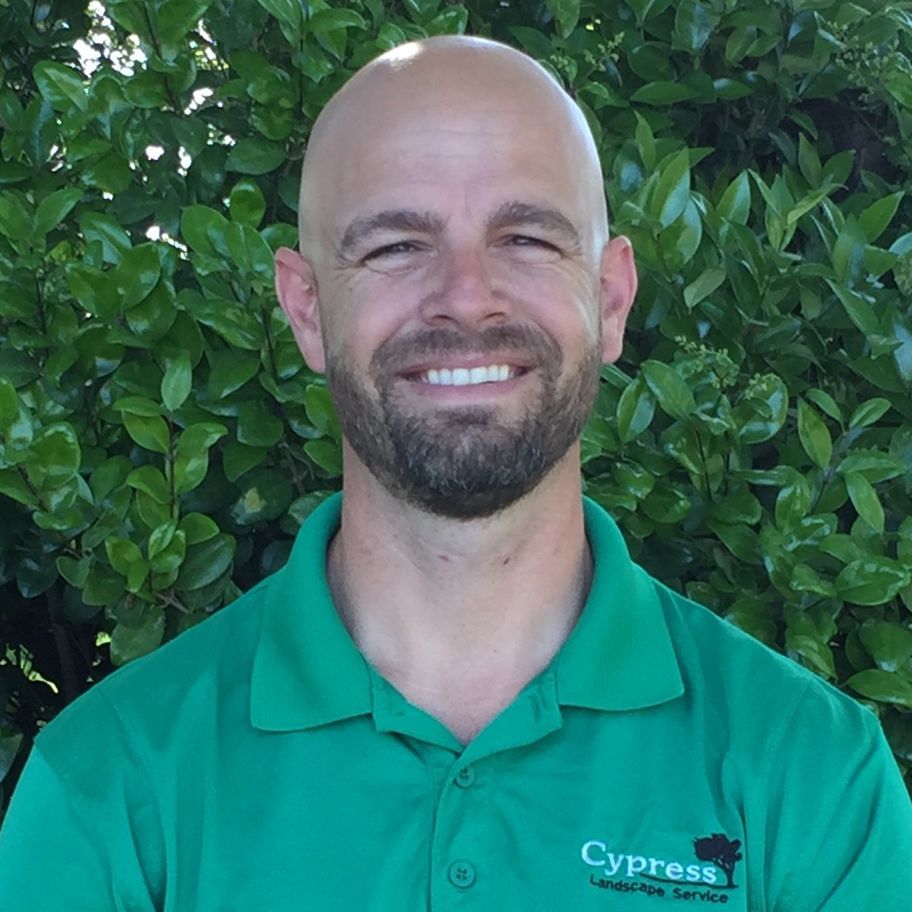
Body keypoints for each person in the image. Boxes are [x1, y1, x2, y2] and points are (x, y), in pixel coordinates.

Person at [1, 34, 911, 911]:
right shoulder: (109, 787)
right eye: (396, 246)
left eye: (526, 239)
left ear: (612, 296)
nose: (467, 296)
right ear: (307, 308)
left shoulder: (814, 778)